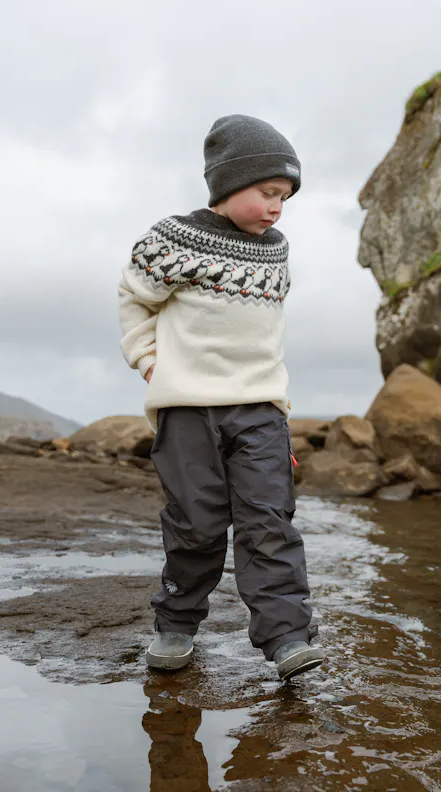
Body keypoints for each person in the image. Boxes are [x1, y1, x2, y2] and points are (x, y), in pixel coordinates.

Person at [117, 114, 323, 681]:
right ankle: (176, 626)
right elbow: (134, 300)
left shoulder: (276, 250)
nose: (278, 207)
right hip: (186, 409)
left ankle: (286, 637)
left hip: (260, 409)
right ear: (229, 185)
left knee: (269, 522)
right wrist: (145, 357)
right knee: (196, 524)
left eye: (285, 197)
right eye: (268, 193)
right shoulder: (173, 240)